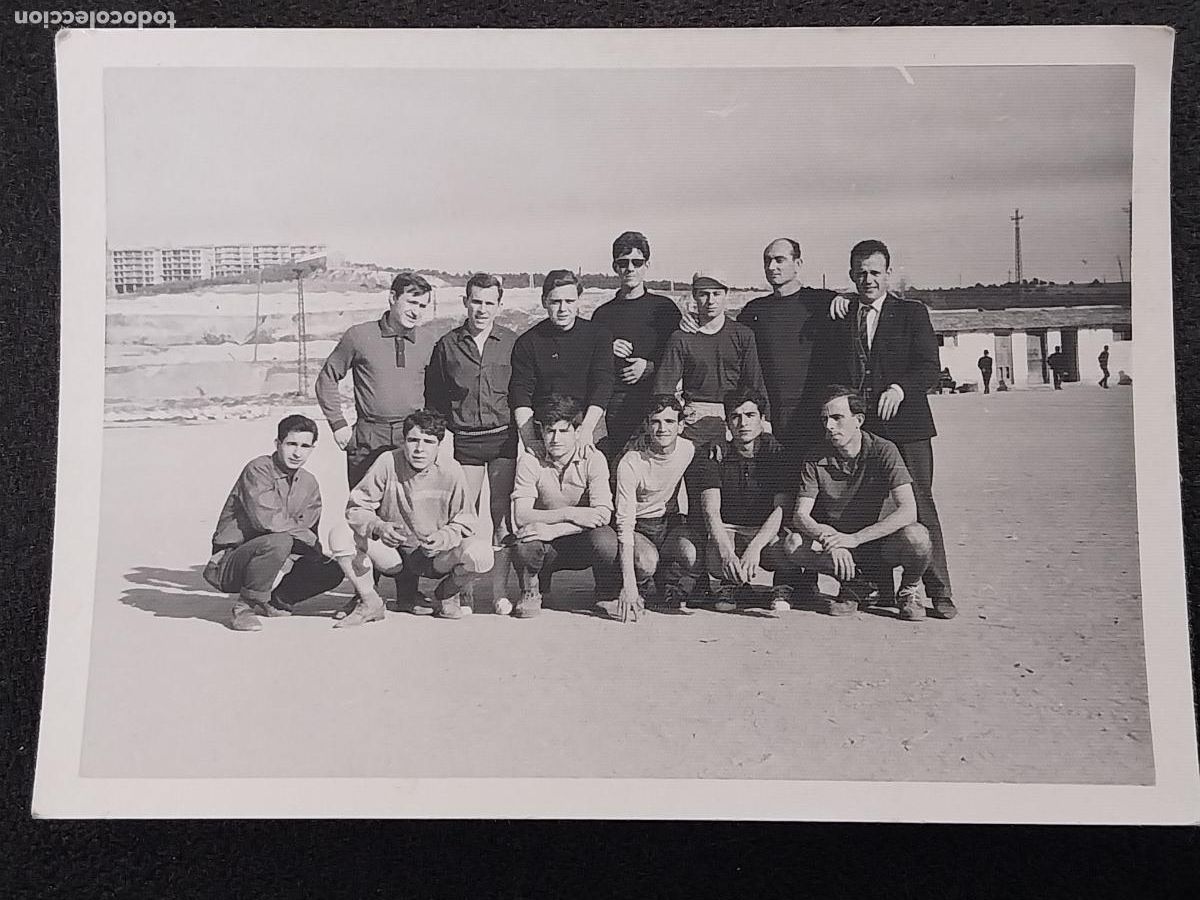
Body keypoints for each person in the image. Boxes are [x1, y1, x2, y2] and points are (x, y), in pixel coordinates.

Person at [826, 240, 956, 619]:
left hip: (908, 428)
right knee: (859, 506)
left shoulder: (912, 313)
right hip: (862, 433)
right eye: (860, 273)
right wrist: (834, 297)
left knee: (919, 506)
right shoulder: (843, 313)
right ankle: (870, 587)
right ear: (851, 275)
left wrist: (901, 388)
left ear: (888, 273)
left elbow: (929, 367)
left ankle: (939, 591)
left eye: (875, 272)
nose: (867, 279)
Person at [773, 386, 932, 621]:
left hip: (880, 542)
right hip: (842, 544)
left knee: (917, 537)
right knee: (794, 543)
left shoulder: (884, 450)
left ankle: (909, 589)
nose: (829, 426)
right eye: (825, 419)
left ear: (858, 420)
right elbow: (801, 515)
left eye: (837, 418)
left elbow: (908, 509)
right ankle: (856, 585)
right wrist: (831, 541)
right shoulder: (815, 457)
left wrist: (856, 538)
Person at [327, 409, 494, 627]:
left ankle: (447, 592)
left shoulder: (451, 469)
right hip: (394, 554)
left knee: (482, 554)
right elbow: (356, 508)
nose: (419, 449)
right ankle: (370, 601)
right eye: (413, 440)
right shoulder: (388, 462)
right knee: (339, 535)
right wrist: (379, 526)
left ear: (438, 445)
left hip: (433, 556)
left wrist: (443, 537)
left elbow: (466, 520)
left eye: (428, 441)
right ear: (403, 441)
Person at [425, 272, 518, 614]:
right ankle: (462, 591)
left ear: (499, 305)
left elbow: (523, 391)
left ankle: (499, 593)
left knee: (502, 520)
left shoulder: (511, 342)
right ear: (465, 302)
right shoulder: (447, 345)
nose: (482, 309)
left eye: (489, 303)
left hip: (504, 440)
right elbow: (433, 396)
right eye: (476, 301)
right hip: (465, 442)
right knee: (466, 519)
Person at [203, 415, 345, 632]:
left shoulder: (309, 482)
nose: (297, 453)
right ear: (277, 444)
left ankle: (274, 600)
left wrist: (306, 548)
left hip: (280, 556)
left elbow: (308, 531)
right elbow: (267, 520)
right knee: (279, 541)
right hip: (233, 560)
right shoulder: (258, 469)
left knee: (331, 570)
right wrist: (303, 539)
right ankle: (244, 608)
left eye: (305, 446)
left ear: (312, 448)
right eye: (291, 444)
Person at [315, 271, 438, 488]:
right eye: (411, 302)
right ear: (392, 297)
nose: (416, 311)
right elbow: (327, 378)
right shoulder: (359, 336)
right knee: (364, 510)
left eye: (422, 306)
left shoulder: (428, 341)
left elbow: (437, 390)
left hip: (411, 437)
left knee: (411, 508)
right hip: (368, 438)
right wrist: (338, 424)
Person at [509, 395, 617, 618]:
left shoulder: (594, 459)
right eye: (550, 431)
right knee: (523, 541)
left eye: (564, 431)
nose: (556, 439)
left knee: (606, 541)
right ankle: (531, 590)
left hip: (579, 540)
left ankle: (606, 592)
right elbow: (520, 515)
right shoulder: (530, 461)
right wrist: (572, 513)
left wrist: (554, 529)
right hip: (546, 545)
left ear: (577, 432)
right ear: (542, 432)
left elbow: (603, 513)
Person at [687, 389, 793, 613]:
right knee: (716, 556)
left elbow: (781, 508)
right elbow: (711, 511)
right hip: (731, 529)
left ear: (762, 420)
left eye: (750, 415)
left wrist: (755, 547)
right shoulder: (714, 454)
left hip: (765, 531)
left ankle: (783, 586)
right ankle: (731, 584)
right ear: (727, 422)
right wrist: (727, 555)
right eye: (735, 416)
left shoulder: (778, 454)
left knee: (787, 548)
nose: (743, 422)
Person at [735, 238, 843, 452]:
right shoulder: (754, 310)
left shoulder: (823, 302)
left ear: (798, 264)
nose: (771, 267)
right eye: (767, 261)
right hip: (772, 416)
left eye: (779, 260)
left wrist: (847, 298)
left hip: (816, 415)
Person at [591, 231, 682, 468]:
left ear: (647, 265)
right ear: (615, 267)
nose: (630, 268)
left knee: (661, 466)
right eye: (623, 263)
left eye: (636, 262)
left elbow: (681, 356)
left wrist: (650, 367)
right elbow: (593, 364)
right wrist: (606, 348)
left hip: (658, 401)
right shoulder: (602, 314)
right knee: (622, 467)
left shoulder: (665, 309)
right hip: (618, 403)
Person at [610, 395, 701, 621]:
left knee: (693, 553)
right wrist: (629, 585)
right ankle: (637, 586)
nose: (662, 429)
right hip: (639, 527)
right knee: (646, 562)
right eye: (656, 422)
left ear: (681, 426)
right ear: (647, 425)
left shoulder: (688, 449)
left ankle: (668, 578)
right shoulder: (631, 462)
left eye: (669, 422)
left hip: (668, 523)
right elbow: (625, 523)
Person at [652, 269, 769, 446]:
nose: (711, 301)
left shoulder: (743, 334)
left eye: (716, 293)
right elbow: (664, 388)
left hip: (735, 415)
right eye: (704, 294)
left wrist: (764, 421)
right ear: (694, 296)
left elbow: (755, 382)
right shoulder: (682, 337)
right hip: (695, 417)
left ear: (726, 295)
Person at [509, 269, 615, 453]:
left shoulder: (598, 335)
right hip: (546, 431)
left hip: (588, 425)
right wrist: (529, 440)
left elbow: (603, 384)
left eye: (569, 301)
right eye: (556, 302)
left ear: (579, 301)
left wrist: (587, 429)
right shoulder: (527, 342)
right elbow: (520, 393)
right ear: (544, 302)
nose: (563, 309)